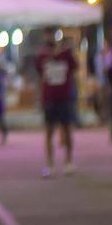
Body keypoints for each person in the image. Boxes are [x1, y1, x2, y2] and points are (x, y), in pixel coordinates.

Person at [35, 36, 78, 177]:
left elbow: (75, 67)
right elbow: (39, 73)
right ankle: (50, 164)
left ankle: (68, 162)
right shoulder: (42, 60)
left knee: (67, 130)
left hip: (64, 100)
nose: (51, 51)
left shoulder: (66, 57)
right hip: (50, 101)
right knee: (49, 132)